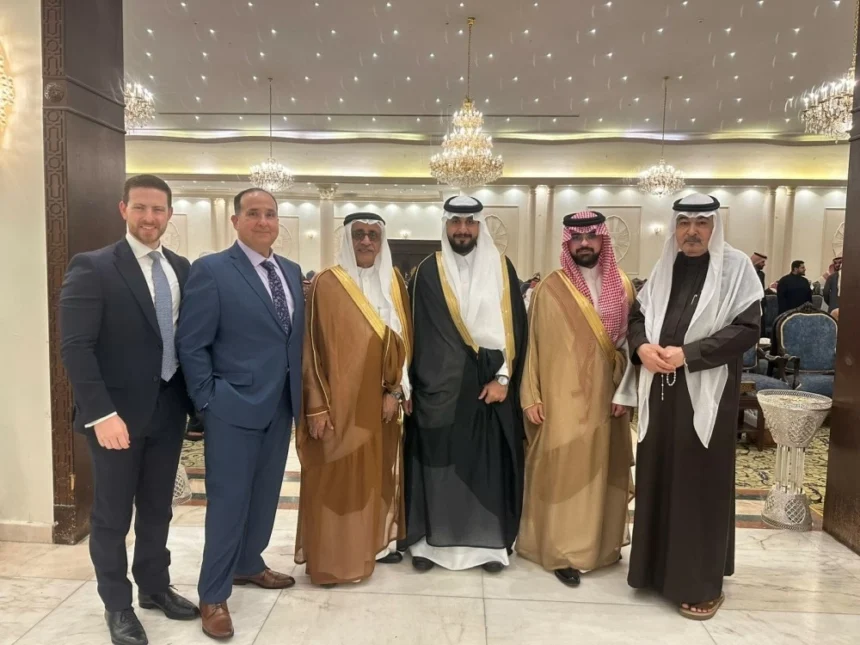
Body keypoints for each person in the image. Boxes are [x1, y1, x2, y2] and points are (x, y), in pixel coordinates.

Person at [59, 174, 199, 645]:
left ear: (169, 215)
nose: (149, 217)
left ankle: (155, 588)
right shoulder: (93, 266)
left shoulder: (180, 267)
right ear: (124, 210)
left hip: (168, 410)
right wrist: (100, 414)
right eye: (140, 207)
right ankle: (117, 605)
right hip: (114, 417)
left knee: (158, 509)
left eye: (158, 209)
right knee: (112, 517)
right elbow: (76, 348)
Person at [626, 193, 762, 620]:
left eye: (701, 222)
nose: (691, 231)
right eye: (684, 222)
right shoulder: (665, 265)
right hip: (660, 392)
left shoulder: (736, 268)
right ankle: (655, 571)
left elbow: (747, 329)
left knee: (698, 483)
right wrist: (642, 348)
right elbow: (637, 317)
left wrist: (689, 354)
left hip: (706, 394)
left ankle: (701, 582)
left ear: (715, 227)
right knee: (660, 474)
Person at [177, 188, 304, 640]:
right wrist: (208, 400)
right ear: (235, 221)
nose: (263, 221)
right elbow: (191, 343)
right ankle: (213, 594)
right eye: (253, 213)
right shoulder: (212, 270)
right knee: (228, 503)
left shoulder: (290, 271)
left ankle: (249, 564)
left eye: (270, 214)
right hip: (231, 407)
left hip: (281, 405)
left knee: (265, 495)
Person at [403, 195, 528, 574]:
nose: (462, 229)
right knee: (436, 468)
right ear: (445, 224)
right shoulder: (427, 270)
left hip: (490, 390)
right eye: (456, 222)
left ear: (479, 225)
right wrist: (410, 387)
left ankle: (488, 548)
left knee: (485, 469)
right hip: (437, 391)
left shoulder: (502, 267)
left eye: (470, 222)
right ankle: (429, 545)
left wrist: (504, 378)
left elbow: (514, 329)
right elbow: (415, 333)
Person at [517, 211, 637, 587]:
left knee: (601, 469)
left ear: (603, 240)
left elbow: (631, 346)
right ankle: (562, 550)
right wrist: (531, 395)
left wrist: (626, 392)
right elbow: (533, 346)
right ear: (567, 243)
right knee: (562, 469)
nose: (584, 244)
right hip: (558, 398)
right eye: (576, 238)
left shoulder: (623, 286)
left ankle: (600, 547)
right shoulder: (549, 288)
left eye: (591, 236)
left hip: (607, 397)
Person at [295, 212, 412, 585]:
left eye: (373, 235)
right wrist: (316, 405)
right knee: (334, 478)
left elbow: (405, 342)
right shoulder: (327, 282)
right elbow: (310, 348)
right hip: (338, 404)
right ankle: (332, 558)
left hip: (380, 404)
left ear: (382, 241)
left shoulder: (393, 282)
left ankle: (369, 548)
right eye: (359, 234)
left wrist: (396, 391)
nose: (365, 241)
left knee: (374, 476)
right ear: (348, 238)